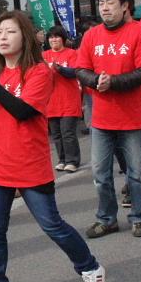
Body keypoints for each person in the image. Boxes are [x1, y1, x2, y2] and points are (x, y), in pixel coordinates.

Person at [0, 10, 105, 282]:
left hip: (30, 163)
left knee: (52, 225)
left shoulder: (39, 72)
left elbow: (24, 111)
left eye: (10, 32)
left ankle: (90, 268)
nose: (2, 37)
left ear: (25, 36)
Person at [77, 0, 141, 239]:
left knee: (137, 173)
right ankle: (107, 219)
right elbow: (81, 69)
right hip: (101, 118)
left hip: (131, 118)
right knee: (100, 173)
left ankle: (138, 217)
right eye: (101, 3)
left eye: (111, 3)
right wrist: (94, 81)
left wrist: (113, 81)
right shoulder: (91, 36)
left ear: (125, 6)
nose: (105, 8)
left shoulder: (138, 33)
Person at [43, 25, 82, 172]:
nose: (54, 39)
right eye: (51, 37)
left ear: (63, 39)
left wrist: (59, 68)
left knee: (68, 133)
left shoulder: (72, 54)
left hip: (69, 99)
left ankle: (73, 161)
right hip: (51, 102)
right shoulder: (43, 56)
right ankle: (62, 159)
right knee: (56, 134)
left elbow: (75, 72)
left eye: (57, 36)